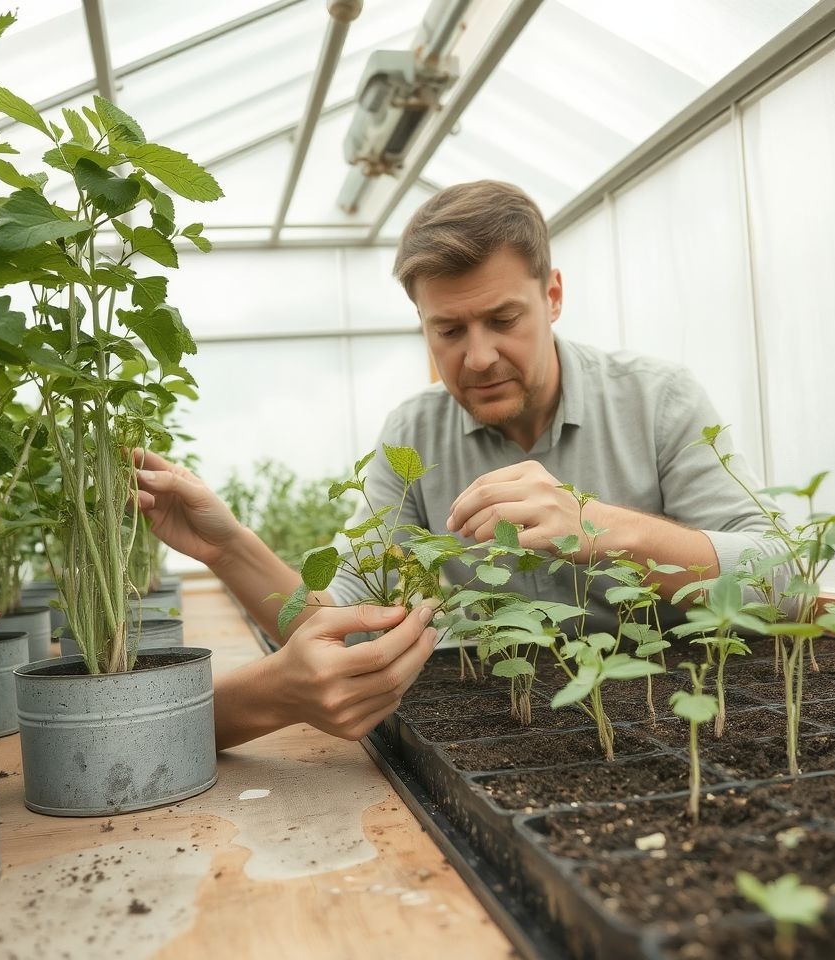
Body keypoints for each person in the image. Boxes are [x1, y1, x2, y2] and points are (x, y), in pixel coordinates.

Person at [135, 180, 784, 749]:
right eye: (448, 331)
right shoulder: (413, 436)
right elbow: (341, 623)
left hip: (674, 711)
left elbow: (784, 577)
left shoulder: (658, 401)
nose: (477, 357)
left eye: (504, 319)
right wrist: (227, 547)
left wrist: (604, 529)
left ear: (552, 296)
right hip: (500, 726)